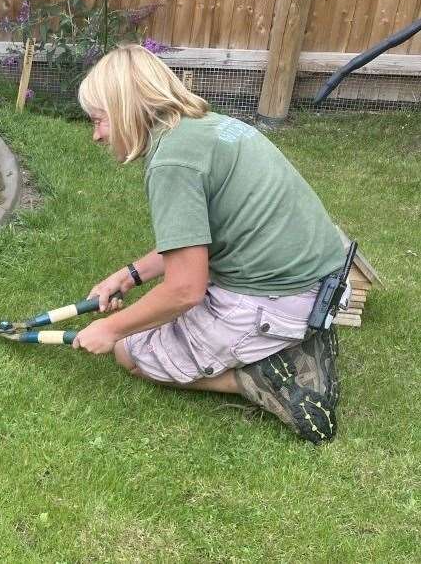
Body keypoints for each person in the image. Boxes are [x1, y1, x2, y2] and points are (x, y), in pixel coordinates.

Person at [72, 44, 346, 443]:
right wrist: (130, 275)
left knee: (130, 352)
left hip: (282, 296)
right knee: (155, 320)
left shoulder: (172, 164)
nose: (95, 135)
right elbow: (200, 237)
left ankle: (266, 377)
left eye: (99, 120)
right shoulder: (207, 126)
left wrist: (111, 328)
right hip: (324, 278)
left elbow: (185, 290)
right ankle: (292, 340)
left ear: (127, 110)